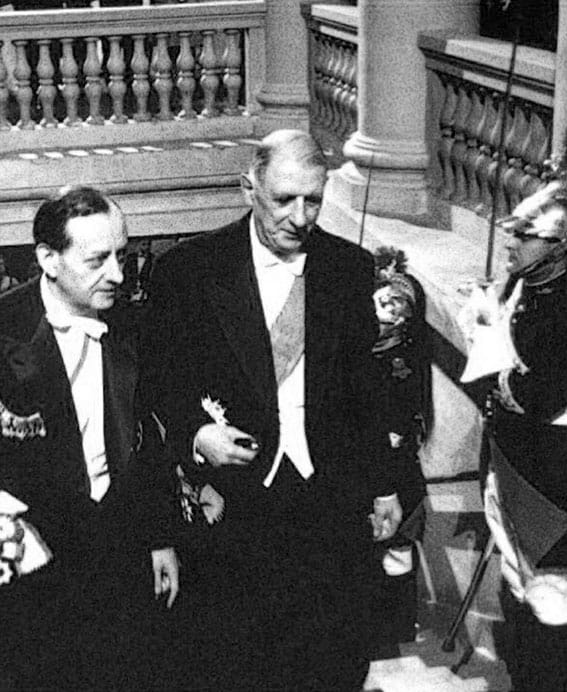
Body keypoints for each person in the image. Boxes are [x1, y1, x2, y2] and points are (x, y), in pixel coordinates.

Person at [141, 129, 403, 691]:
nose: (299, 217)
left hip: (328, 495)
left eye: (313, 200)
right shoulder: (189, 271)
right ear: (248, 189)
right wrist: (196, 435)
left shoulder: (349, 268)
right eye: (284, 199)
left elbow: (366, 388)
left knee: (331, 658)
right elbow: (159, 386)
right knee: (239, 661)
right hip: (235, 501)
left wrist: (384, 484)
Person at [0, 185, 179, 690]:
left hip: (119, 543)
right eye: (98, 260)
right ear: (48, 259)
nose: (118, 275)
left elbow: (149, 443)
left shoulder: (132, 324)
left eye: (122, 255)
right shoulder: (3, 330)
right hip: (33, 556)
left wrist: (159, 537)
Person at [459, 179, 567, 691]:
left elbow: (540, 395)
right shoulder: (523, 284)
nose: (510, 240)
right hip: (511, 460)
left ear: (559, 246)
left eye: (526, 234)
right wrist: (487, 320)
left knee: (551, 596)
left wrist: (493, 354)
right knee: (517, 584)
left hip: (552, 480)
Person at [365, 246, 429, 659]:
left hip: (395, 473)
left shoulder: (402, 359)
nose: (382, 311)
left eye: (392, 305)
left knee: (396, 549)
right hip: (378, 471)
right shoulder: (366, 350)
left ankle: (396, 625)